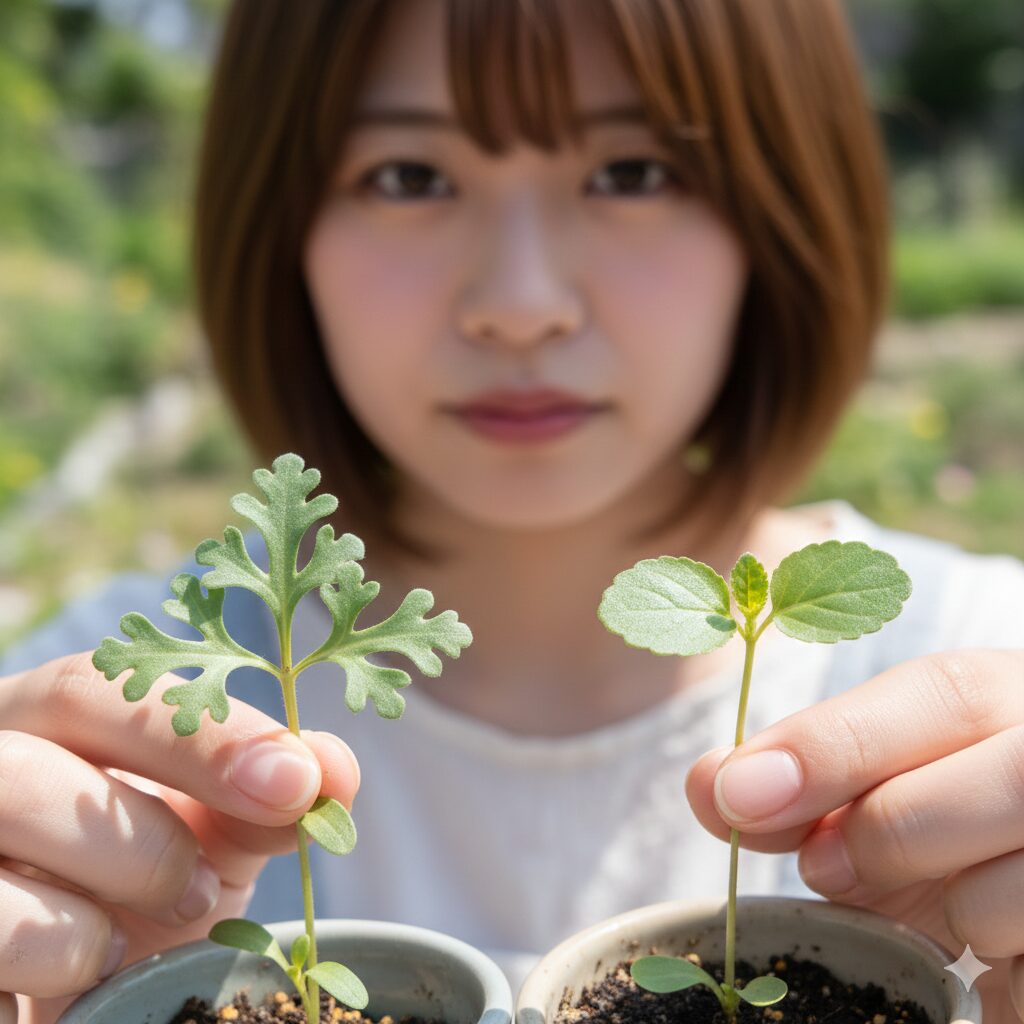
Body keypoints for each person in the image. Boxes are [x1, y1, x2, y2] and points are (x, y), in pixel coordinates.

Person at [1, 0, 1022, 1021]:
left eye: (632, 172)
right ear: (279, 227)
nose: (522, 301)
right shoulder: (93, 726)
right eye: (410, 176)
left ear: (784, 207)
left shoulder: (984, 682)